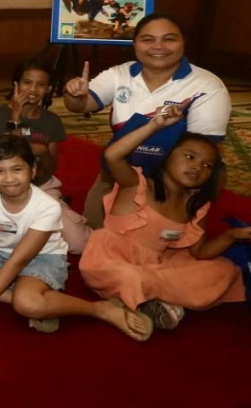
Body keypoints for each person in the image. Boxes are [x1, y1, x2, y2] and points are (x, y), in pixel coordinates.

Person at [0, 135, 154, 340]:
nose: (8, 178)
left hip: (42, 258)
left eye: (17, 169)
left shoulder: (47, 206)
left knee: (28, 304)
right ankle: (19, 296)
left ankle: (100, 309)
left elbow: (19, 260)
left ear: (33, 170)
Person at [80, 102, 248, 330]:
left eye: (207, 165)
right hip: (113, 262)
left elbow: (199, 252)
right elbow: (112, 156)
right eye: (189, 157)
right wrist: (154, 126)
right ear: (167, 156)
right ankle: (152, 298)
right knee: (130, 276)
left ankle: (146, 300)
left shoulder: (195, 203)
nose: (198, 167)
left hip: (159, 264)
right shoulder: (136, 185)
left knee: (224, 270)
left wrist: (232, 235)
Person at [62, 14, 230, 228]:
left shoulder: (207, 85)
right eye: (148, 39)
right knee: (94, 233)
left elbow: (206, 150)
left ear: (183, 43)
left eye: (169, 39)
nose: (158, 46)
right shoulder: (119, 74)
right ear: (135, 44)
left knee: (161, 244)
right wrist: (74, 95)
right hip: (121, 169)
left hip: (173, 179)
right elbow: (80, 106)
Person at [0, 57, 90, 252]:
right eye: (27, 83)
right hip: (9, 188)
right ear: (16, 84)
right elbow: (4, 157)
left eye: (41, 85)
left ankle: (56, 210)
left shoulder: (51, 120)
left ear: (48, 88)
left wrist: (42, 151)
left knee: (79, 245)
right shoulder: (0, 114)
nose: (33, 90)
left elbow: (51, 167)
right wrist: (16, 118)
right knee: (19, 245)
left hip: (42, 186)